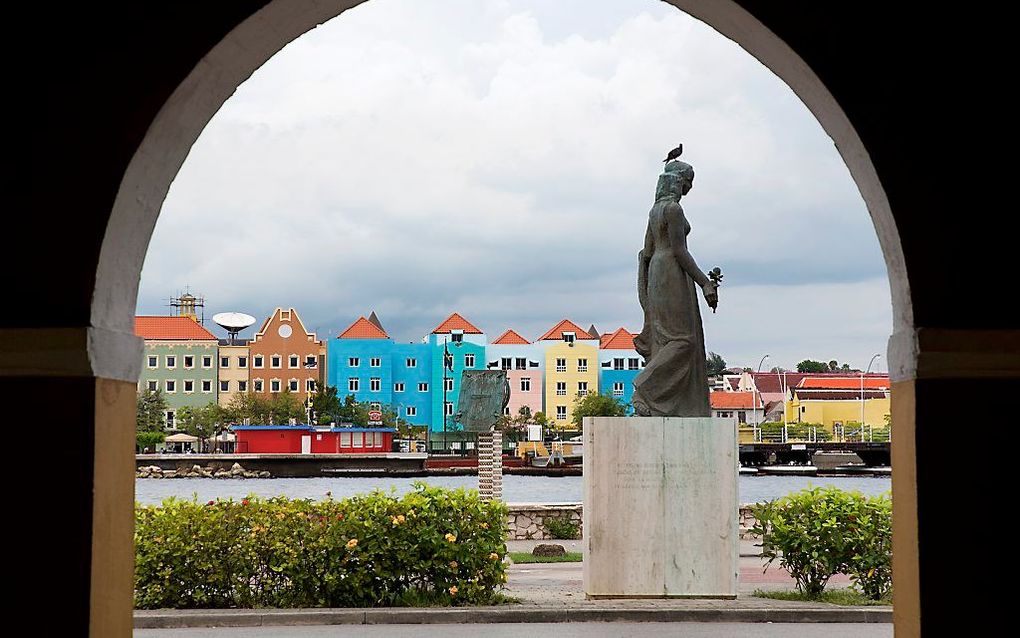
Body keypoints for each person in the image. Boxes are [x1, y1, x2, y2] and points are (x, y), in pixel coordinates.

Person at [632, 160, 718, 417]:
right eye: (686, 183)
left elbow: (646, 252)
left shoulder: (654, 210)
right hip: (672, 273)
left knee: (668, 339)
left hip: (658, 272)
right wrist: (704, 283)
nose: (688, 189)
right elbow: (680, 251)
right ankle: (646, 387)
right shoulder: (673, 210)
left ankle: (664, 402)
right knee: (684, 341)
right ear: (677, 181)